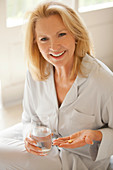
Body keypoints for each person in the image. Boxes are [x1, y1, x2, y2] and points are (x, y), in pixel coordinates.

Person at [0, 1, 113, 170]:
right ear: (35, 44)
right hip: (45, 146)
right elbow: (30, 118)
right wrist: (30, 134)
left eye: (61, 34)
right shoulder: (35, 72)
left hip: (77, 160)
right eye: (44, 39)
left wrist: (96, 135)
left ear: (75, 35)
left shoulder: (102, 81)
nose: (53, 47)